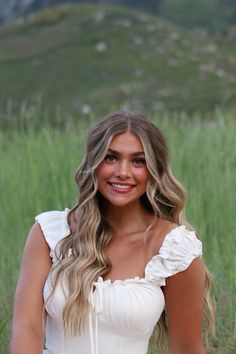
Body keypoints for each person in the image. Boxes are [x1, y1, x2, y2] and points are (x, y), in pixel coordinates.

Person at [9, 111, 215, 354]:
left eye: (138, 161)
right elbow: (27, 327)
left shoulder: (175, 249)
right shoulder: (50, 233)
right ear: (93, 164)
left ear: (153, 169)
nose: (123, 172)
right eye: (111, 158)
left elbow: (186, 349)